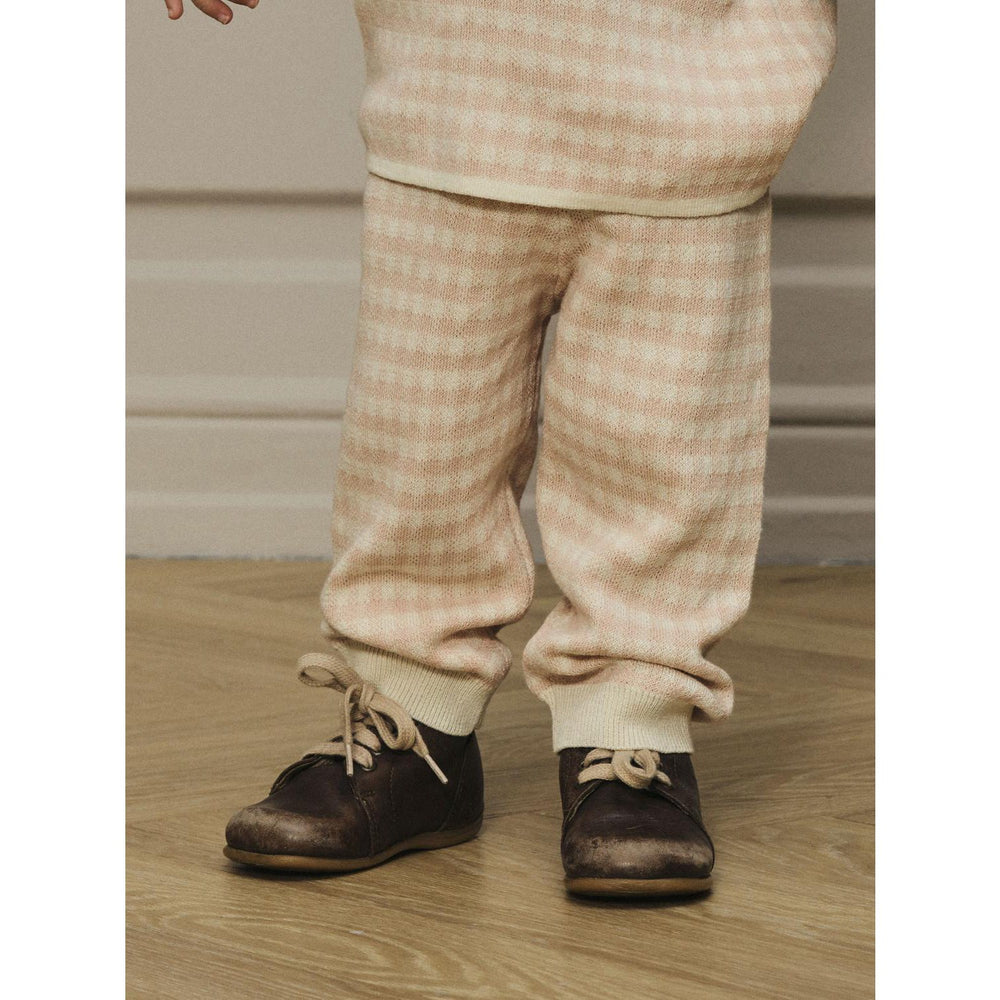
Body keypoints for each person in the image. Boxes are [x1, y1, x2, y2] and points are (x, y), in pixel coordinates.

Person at [166, 0, 837, 897]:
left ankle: (629, 725)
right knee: (422, 439)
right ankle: (415, 726)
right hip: (452, 74)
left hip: (698, 90)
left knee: (660, 449)